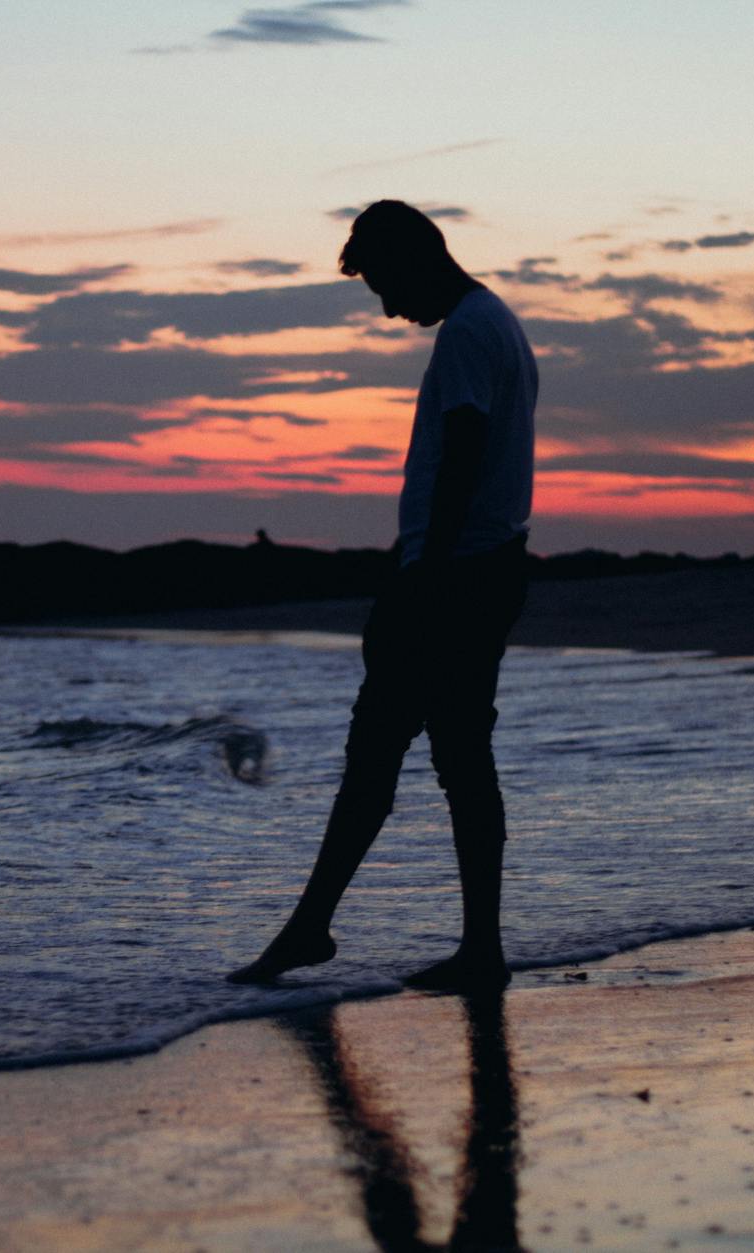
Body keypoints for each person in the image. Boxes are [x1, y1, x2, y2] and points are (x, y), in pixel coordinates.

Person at [229, 199, 536, 992]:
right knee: (457, 759)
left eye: (384, 286)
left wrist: (421, 577)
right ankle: (472, 947)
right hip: (485, 566)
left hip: (455, 577)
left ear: (414, 259)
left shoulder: (469, 332)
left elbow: (463, 455)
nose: (389, 307)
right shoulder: (497, 321)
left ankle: (313, 930)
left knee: (381, 758)